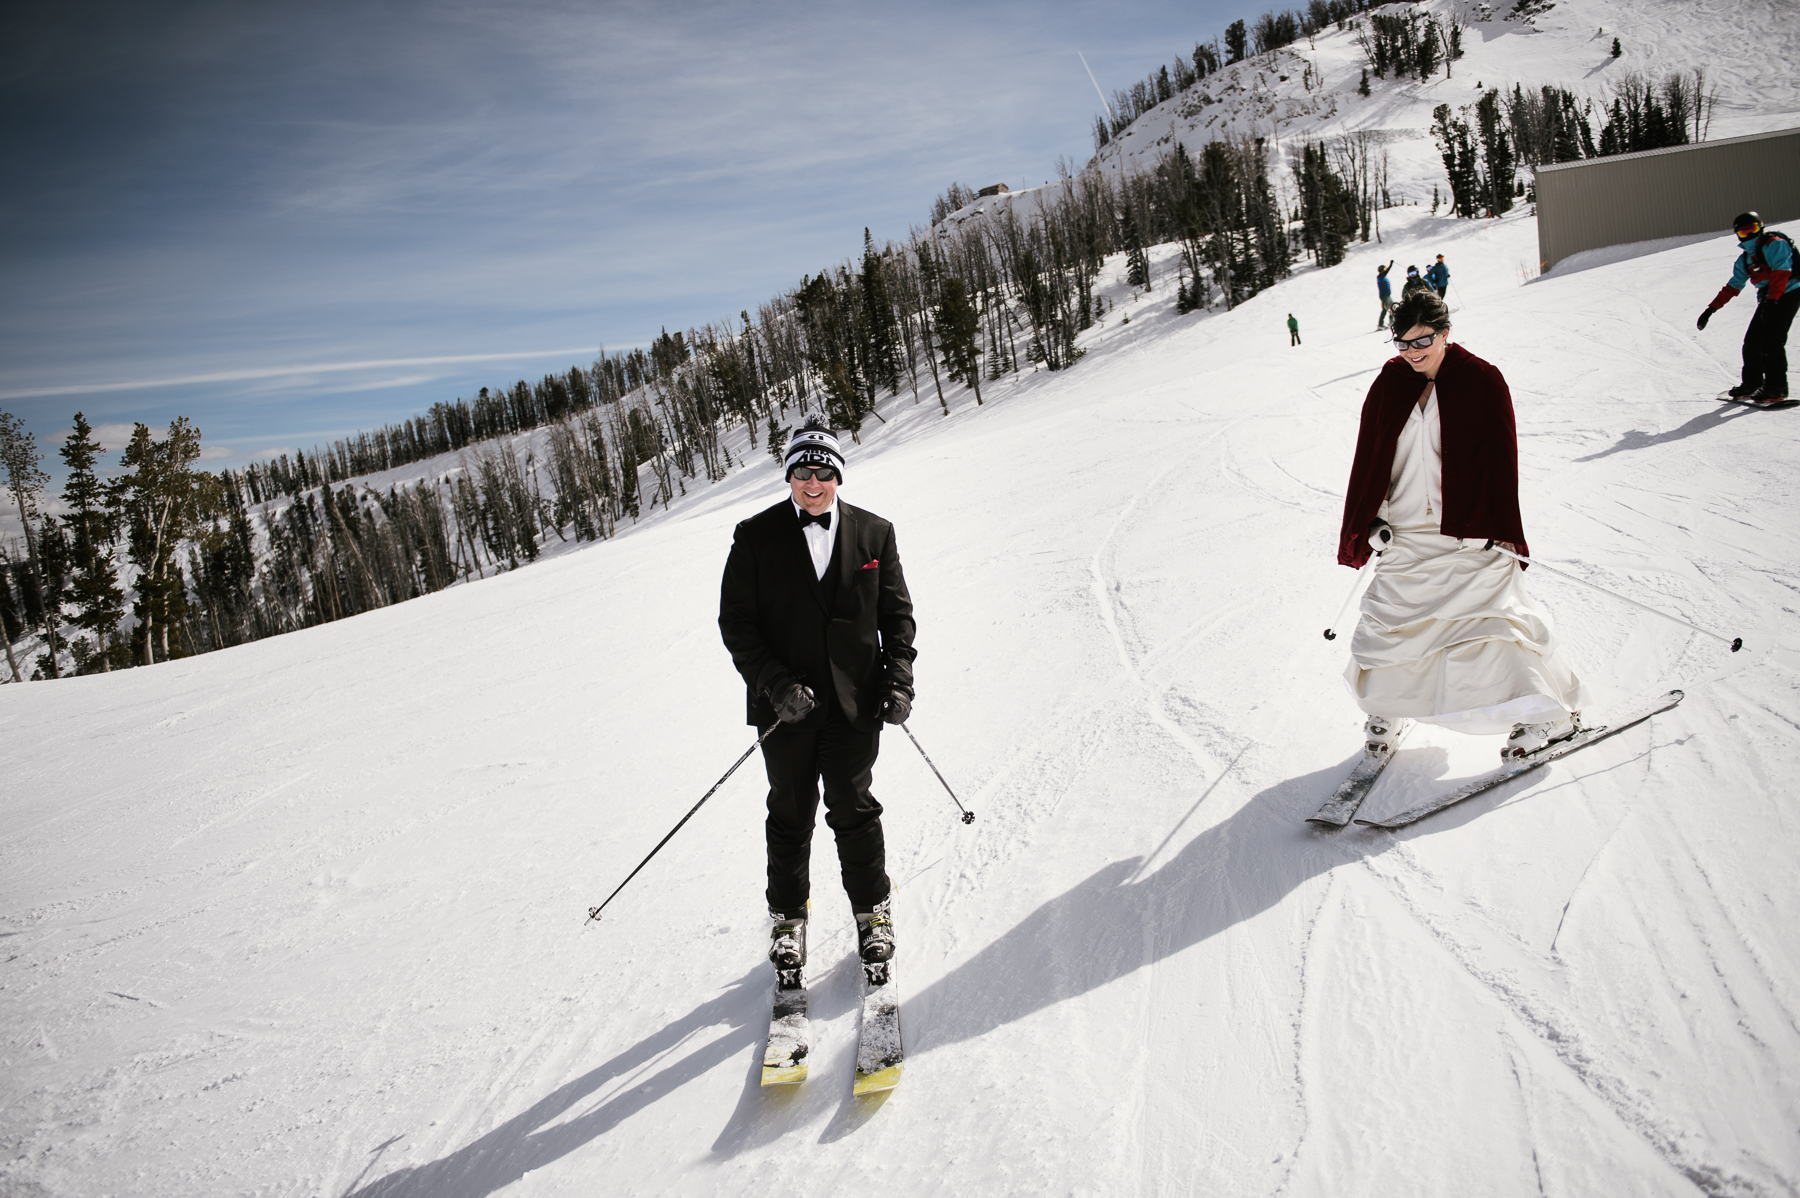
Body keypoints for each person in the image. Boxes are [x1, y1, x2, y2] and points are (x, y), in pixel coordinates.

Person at [1336, 290, 1589, 761]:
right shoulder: (1390, 383)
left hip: (1469, 534)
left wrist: (1496, 526)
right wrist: (1374, 519)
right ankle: (1386, 710)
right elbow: (1371, 462)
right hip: (1406, 532)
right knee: (1390, 628)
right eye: (1403, 343)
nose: (1413, 352)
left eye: (1423, 341)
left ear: (1446, 333)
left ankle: (1546, 716)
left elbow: (1500, 463)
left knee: (1491, 630)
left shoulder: (1481, 380)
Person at [718, 416, 917, 982]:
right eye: (804, 472)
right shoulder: (754, 536)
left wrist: (898, 679)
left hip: (857, 706)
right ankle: (787, 922)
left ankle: (873, 913)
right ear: (788, 476)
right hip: (787, 712)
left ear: (838, 478)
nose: (814, 483)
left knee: (854, 810)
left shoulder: (875, 533)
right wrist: (776, 685)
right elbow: (737, 624)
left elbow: (897, 619)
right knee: (790, 813)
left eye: (824, 472)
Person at [1697, 211, 1796, 403]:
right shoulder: (1746, 259)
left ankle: (1776, 388)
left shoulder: (1775, 244)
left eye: (1753, 228)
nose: (1749, 234)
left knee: (1772, 342)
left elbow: (1781, 272)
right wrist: (1711, 309)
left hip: (1789, 293)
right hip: (1769, 298)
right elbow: (1734, 285)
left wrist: (1773, 301)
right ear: (1738, 235)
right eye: (1744, 232)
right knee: (1752, 342)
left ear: (1761, 227)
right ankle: (1752, 384)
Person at [1376, 259, 1395, 329]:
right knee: (1392, 307)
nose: (1385, 269)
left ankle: (1381, 324)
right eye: (1384, 268)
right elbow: (1386, 272)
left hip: (1385, 295)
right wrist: (1390, 265)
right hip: (1385, 296)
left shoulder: (1382, 277)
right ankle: (1392, 323)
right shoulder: (1380, 277)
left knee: (1385, 309)